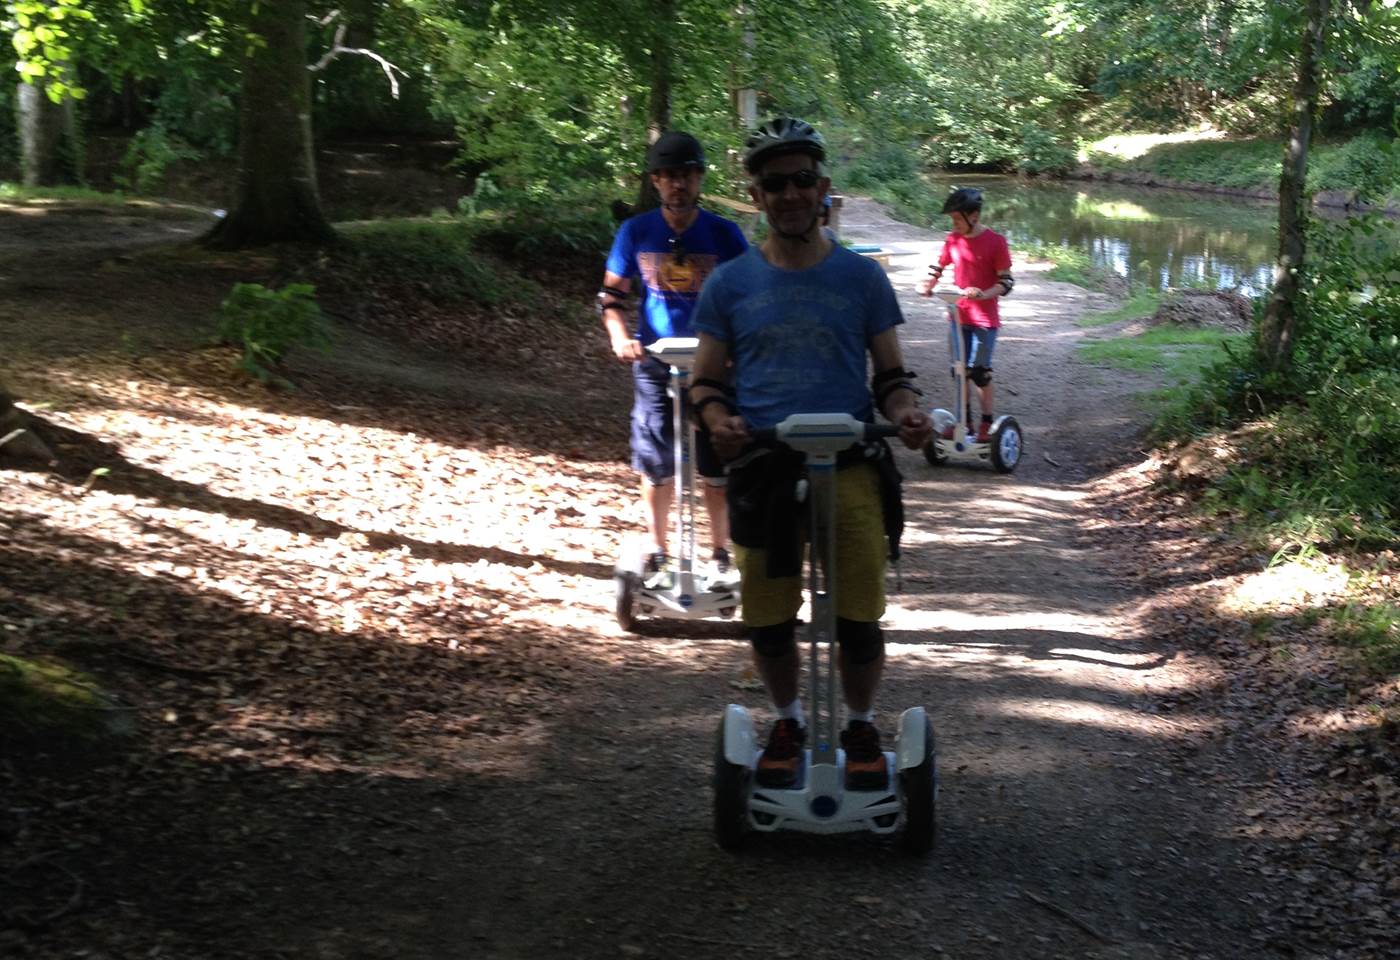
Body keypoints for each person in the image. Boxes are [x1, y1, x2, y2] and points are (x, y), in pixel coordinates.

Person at [689, 118, 933, 790]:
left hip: (849, 457)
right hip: (766, 465)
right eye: (776, 184)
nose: (791, 194)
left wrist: (906, 414)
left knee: (860, 612)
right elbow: (705, 381)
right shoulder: (730, 284)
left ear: (824, 189)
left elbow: (890, 377)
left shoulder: (861, 278)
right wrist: (718, 418)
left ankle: (859, 723)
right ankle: (788, 719)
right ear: (757, 194)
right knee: (768, 616)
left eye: (803, 180)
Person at [598, 131, 749, 584]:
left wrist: (738, 352)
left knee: (716, 456)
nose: (677, 186)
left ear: (699, 179)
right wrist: (620, 336)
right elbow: (610, 295)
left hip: (713, 362)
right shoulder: (636, 232)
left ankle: (721, 551)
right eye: (668, 177)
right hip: (655, 359)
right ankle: (658, 550)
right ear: (656, 182)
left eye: (685, 176)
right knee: (655, 454)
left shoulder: (724, 234)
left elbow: (747, 297)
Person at [917, 187, 1014, 442]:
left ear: (974, 216)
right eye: (952, 220)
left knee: (979, 373)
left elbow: (1006, 282)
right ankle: (964, 423)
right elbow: (938, 267)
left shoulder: (996, 242)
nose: (954, 224)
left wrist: (983, 293)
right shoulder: (953, 240)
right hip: (958, 318)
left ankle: (986, 423)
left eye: (958, 219)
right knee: (959, 372)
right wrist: (929, 284)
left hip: (984, 321)